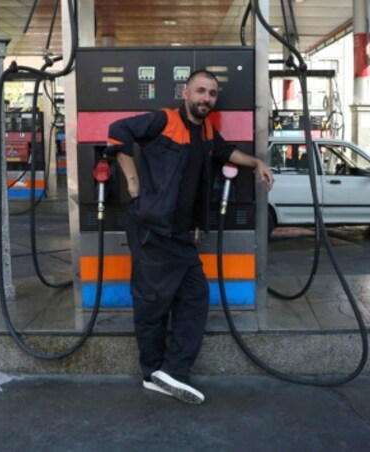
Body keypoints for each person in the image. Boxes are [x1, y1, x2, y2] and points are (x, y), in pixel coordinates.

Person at [107, 70, 274, 405]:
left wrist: (255, 162)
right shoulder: (163, 120)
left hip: (179, 234)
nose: (206, 98)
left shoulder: (207, 131)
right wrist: (132, 179)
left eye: (212, 93)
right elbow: (116, 131)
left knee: (195, 296)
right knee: (154, 304)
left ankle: (167, 371)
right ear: (185, 92)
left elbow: (225, 152)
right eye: (200, 91)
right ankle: (157, 371)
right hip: (153, 230)